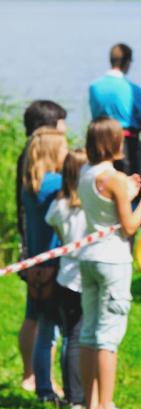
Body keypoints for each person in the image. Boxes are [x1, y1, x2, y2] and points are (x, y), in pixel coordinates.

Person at [78, 117, 141, 409]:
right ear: (112, 143)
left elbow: (105, 205)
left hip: (88, 257)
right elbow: (129, 227)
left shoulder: (86, 173)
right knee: (108, 335)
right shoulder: (114, 178)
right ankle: (106, 406)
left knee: (88, 332)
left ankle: (91, 403)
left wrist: (126, 193)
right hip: (112, 260)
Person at [16, 100, 67, 392]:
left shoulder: (31, 183)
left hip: (35, 260)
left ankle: (32, 376)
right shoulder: (55, 184)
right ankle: (46, 382)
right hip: (52, 264)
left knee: (34, 317)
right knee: (51, 329)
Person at [45, 149, 89, 409]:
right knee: (79, 335)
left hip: (65, 273)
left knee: (70, 334)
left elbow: (57, 232)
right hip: (83, 275)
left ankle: (73, 392)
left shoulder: (58, 205)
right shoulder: (89, 206)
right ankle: (77, 395)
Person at [88, 43, 141, 190]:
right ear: (127, 61)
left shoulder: (94, 87)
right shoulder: (133, 89)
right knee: (129, 186)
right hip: (126, 145)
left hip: (99, 142)